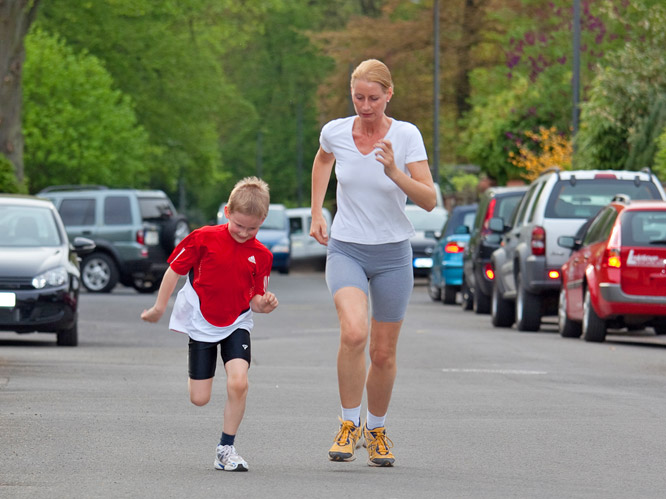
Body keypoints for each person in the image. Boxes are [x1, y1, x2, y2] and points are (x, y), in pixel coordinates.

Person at [310, 58, 437, 467]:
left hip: (392, 254)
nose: (366, 106)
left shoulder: (406, 135)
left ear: (389, 94)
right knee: (353, 333)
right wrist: (316, 212)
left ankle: (377, 431)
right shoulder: (335, 132)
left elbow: (430, 200)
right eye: (358, 97)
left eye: (374, 98)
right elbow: (323, 160)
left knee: (382, 354)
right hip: (346, 247)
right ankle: (348, 426)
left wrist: (395, 172)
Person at [141, 176, 279, 472]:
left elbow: (256, 299)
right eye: (238, 225)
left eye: (252, 228)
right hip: (202, 320)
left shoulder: (262, 256)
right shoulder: (203, 238)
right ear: (227, 212)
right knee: (199, 399)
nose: (243, 233)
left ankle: (225, 448)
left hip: (238, 321)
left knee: (239, 382)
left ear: (263, 221)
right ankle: (201, 374)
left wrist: (263, 305)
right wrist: (158, 308)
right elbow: (173, 272)